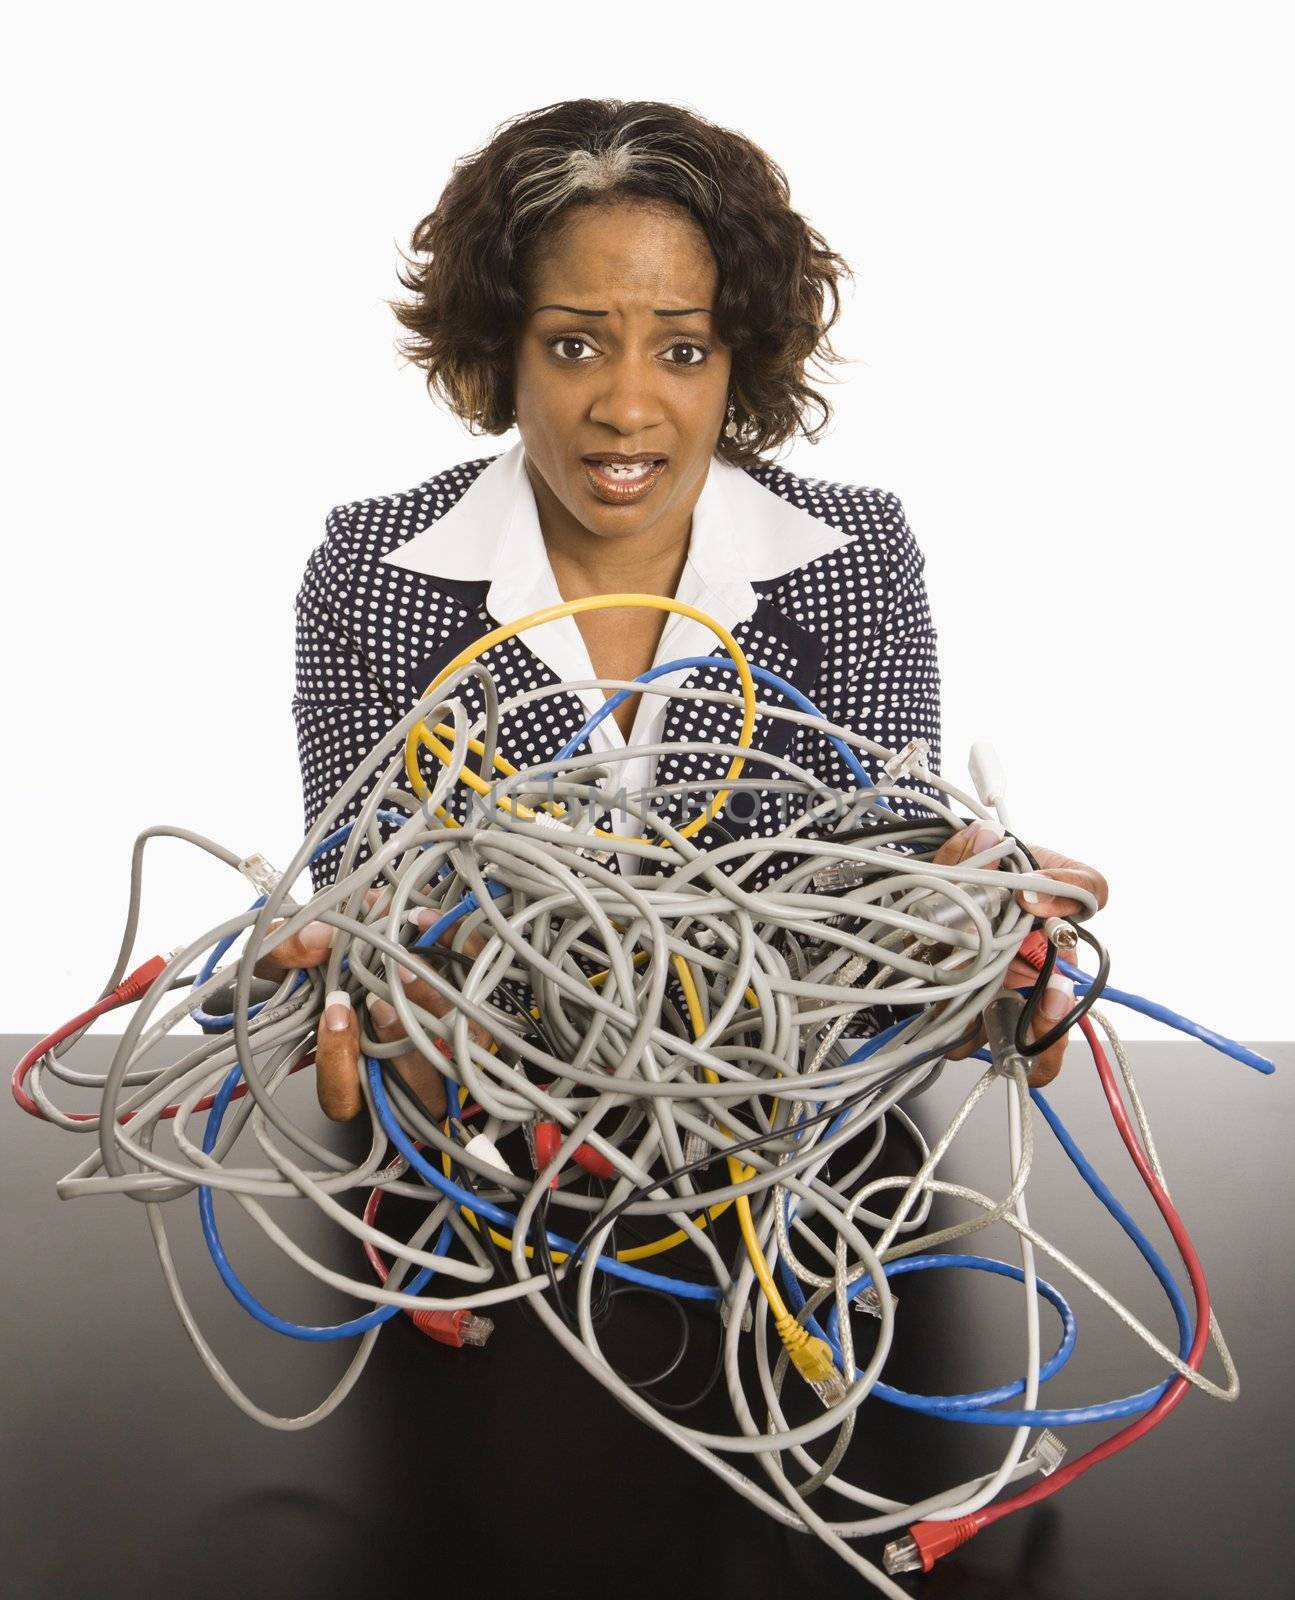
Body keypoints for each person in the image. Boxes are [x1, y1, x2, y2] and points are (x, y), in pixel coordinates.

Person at [258, 98, 1108, 1120]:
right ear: (500, 352)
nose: (625, 405)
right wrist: (387, 997)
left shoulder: (851, 561)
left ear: (737, 361)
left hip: (787, 1158)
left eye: (682, 350)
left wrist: (960, 921)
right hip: (478, 1146)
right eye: (573, 346)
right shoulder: (372, 575)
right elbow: (367, 898)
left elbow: (884, 866)